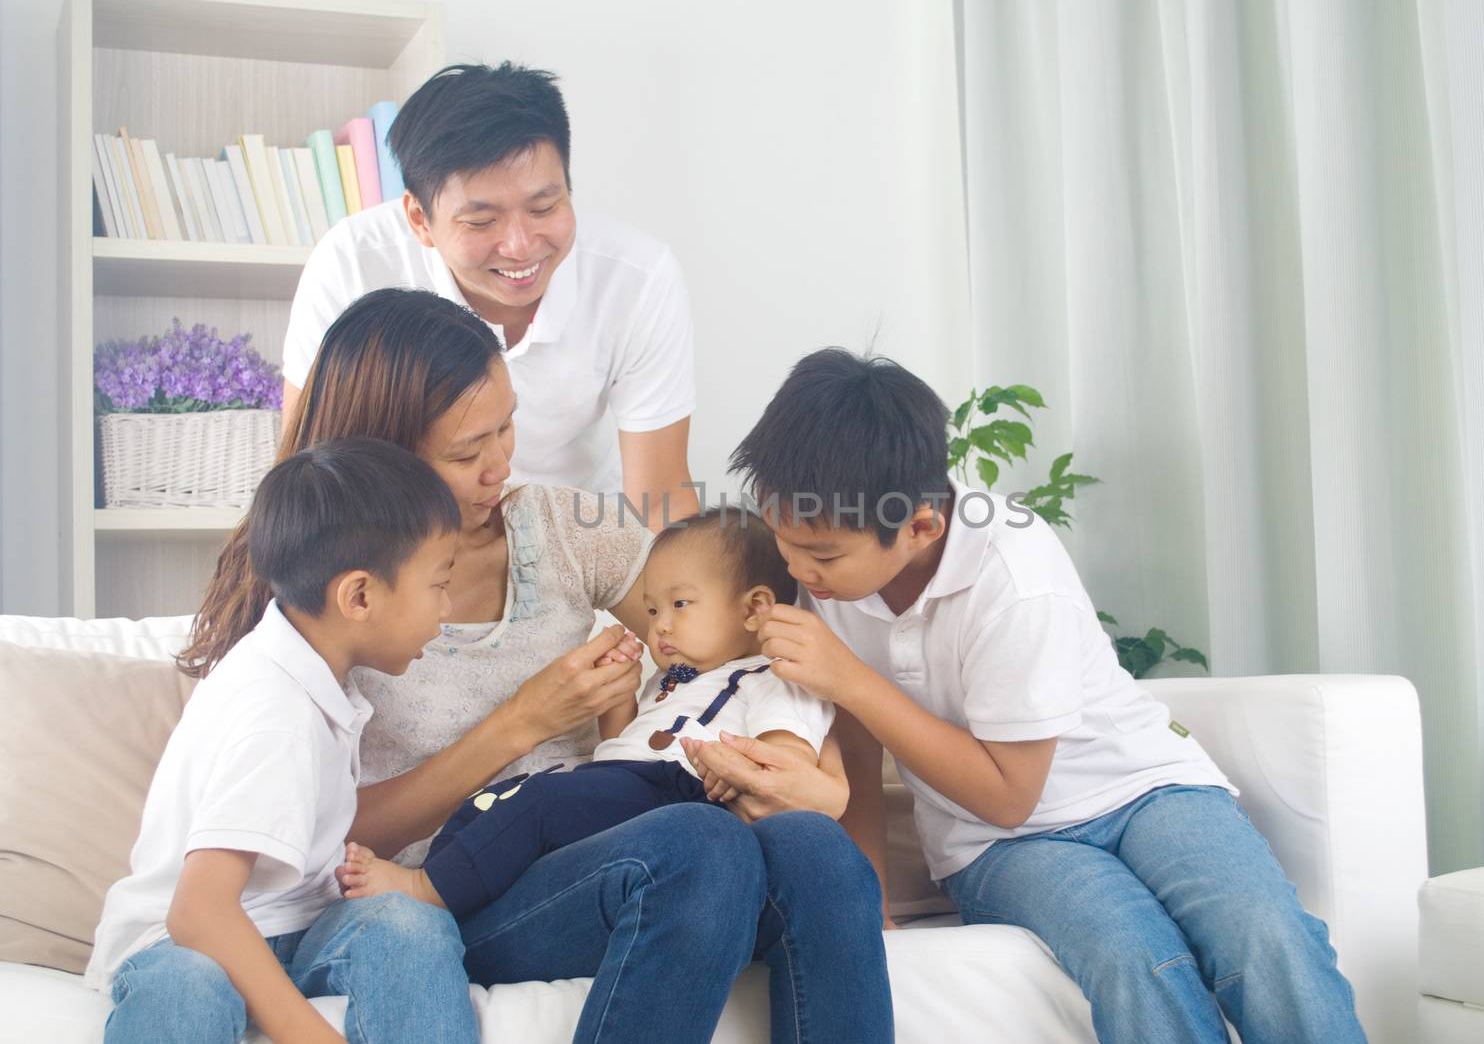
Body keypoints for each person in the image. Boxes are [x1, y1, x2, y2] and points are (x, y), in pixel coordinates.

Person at [183, 290, 892, 1044]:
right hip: (454, 891)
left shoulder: (559, 526)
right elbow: (313, 840)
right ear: (381, 462)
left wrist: (809, 772)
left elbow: (742, 624)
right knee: (700, 846)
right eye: (467, 452)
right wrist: (522, 722)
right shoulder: (334, 603)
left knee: (815, 849)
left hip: (621, 846)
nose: (502, 466)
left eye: (507, 426)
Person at [719, 347, 1368, 1044]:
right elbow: (861, 757)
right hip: (995, 846)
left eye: (821, 556)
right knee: (1135, 958)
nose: (797, 569)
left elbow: (1010, 790)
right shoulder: (825, 585)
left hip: (1141, 787)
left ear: (921, 527)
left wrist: (851, 677)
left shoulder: (1015, 574)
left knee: (1264, 933)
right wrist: (869, 903)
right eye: (785, 542)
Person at [88, 438, 477, 1044]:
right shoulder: (275, 711)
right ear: (360, 596)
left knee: (408, 925)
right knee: (187, 986)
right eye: (439, 584)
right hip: (180, 942)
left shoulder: (315, 677)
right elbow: (199, 912)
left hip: (298, 928)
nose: (446, 610)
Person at [339, 507, 835, 919]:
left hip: (685, 796)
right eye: (653, 610)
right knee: (489, 804)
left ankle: (428, 889)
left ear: (754, 609)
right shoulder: (672, 680)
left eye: (679, 604)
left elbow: (783, 768)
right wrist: (619, 703)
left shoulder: (774, 675)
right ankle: (461, 894)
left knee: (542, 800)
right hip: (633, 788)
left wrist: (747, 777)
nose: (660, 627)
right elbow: (617, 755)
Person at [284, 62, 697, 525]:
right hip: (401, 539)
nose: (520, 246)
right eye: (481, 222)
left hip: (572, 539)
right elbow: (307, 472)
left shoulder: (637, 278)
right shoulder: (353, 262)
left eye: (545, 207)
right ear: (420, 219)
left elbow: (661, 504)